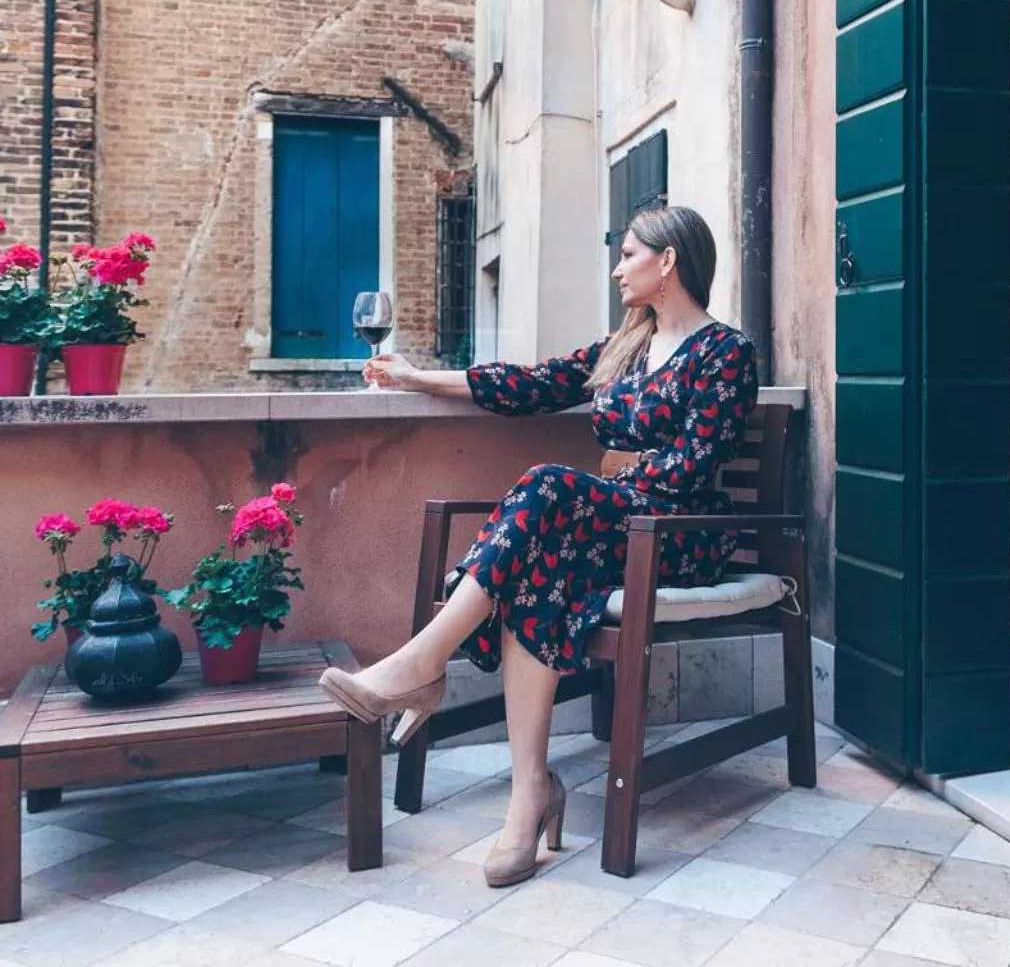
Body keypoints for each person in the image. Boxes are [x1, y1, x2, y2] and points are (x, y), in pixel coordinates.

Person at [318, 205, 760, 888]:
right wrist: (412, 377)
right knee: (537, 575)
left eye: (630, 254)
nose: (617, 267)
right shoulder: (624, 350)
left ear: (668, 261)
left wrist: (611, 475)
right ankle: (529, 796)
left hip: (676, 535)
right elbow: (526, 385)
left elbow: (692, 468)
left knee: (550, 487)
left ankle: (424, 663)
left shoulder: (726, 353)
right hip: (612, 532)